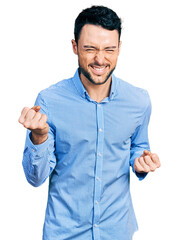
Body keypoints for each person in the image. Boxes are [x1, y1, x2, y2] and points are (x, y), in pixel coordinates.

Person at [18, 5, 161, 240]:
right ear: (75, 47)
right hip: (65, 234)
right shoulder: (49, 101)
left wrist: (140, 161)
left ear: (119, 48)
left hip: (116, 231)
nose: (100, 59)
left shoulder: (139, 100)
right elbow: (35, 178)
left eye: (109, 50)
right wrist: (39, 137)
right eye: (90, 49)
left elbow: (137, 146)